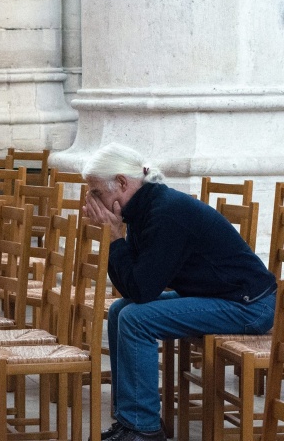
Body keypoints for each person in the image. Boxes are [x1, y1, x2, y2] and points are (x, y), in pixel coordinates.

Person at [81, 142, 277, 441]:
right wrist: (116, 237)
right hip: (222, 298)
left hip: (250, 305)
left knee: (136, 318)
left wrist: (114, 238)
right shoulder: (143, 209)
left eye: (96, 192)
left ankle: (143, 429)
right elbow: (132, 289)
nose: (90, 201)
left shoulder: (165, 212)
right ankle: (129, 420)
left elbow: (143, 290)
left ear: (121, 182)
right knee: (122, 309)